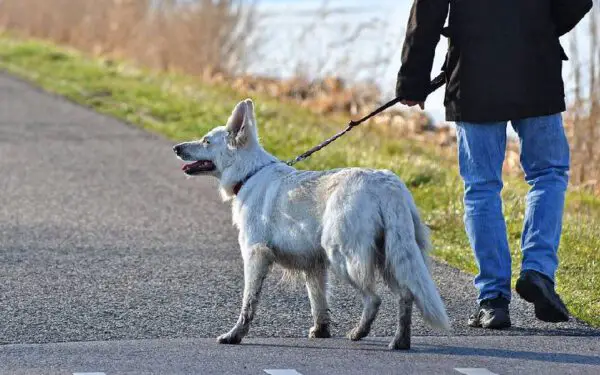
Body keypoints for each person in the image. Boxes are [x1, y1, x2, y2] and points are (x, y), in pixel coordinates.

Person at [395, 0, 593, 329]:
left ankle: (493, 300)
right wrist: (537, 29)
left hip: (474, 75)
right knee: (548, 174)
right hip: (535, 68)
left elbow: (426, 11)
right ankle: (538, 270)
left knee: (481, 187)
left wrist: (412, 81)